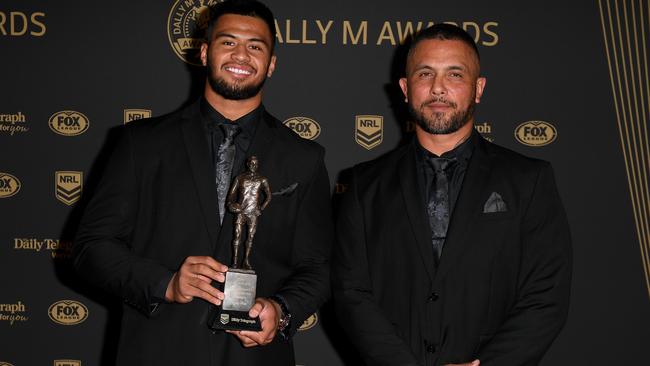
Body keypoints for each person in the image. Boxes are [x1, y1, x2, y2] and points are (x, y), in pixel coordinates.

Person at [73, 1, 333, 365]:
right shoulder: (141, 144)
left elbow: (319, 266)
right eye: (228, 42)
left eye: (255, 46)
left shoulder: (304, 157)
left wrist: (282, 310)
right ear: (205, 51)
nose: (241, 54)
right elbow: (90, 248)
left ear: (271, 63)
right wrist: (165, 283)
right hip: (157, 352)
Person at [332, 24, 571, 366]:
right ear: (405, 88)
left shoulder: (529, 180)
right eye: (425, 73)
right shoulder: (363, 185)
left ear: (478, 88)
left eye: (455, 74)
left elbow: (546, 295)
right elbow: (351, 293)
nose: (438, 88)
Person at [227, 155, 271, 269]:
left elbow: (269, 196)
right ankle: (235, 261)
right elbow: (231, 196)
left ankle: (246, 260)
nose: (253, 166)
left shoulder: (262, 179)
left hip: (253, 213)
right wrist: (231, 205)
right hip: (241, 211)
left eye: (256, 164)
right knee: (237, 236)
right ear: (247, 164)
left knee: (250, 238)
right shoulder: (240, 178)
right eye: (251, 163)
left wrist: (261, 208)